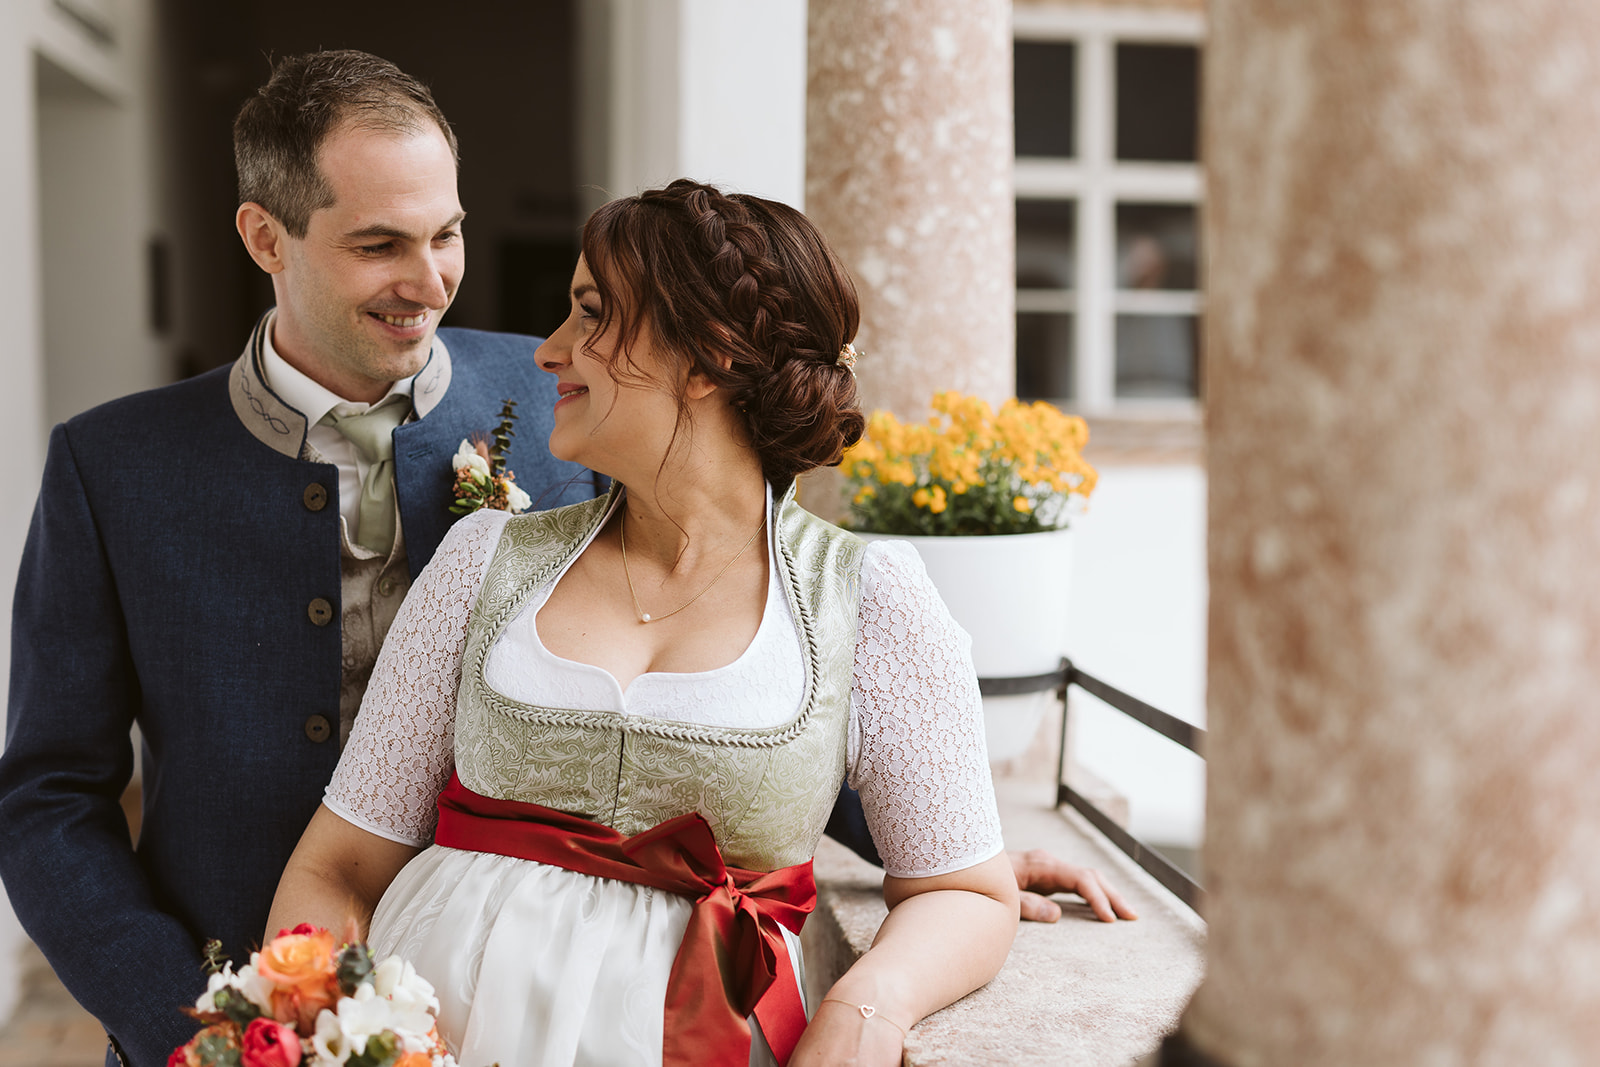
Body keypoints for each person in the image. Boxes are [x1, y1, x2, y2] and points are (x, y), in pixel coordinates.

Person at [0, 48, 1127, 1067]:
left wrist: (939, 847)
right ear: (266, 239)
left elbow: (713, 635)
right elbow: (48, 795)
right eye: (379, 244)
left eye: (444, 232)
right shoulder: (115, 467)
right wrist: (202, 1026)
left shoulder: (552, 407)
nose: (432, 278)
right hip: (234, 999)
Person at [263, 179, 1076, 1067]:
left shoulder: (869, 600)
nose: (550, 352)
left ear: (706, 359)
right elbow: (340, 865)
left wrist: (864, 1010)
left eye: (591, 314)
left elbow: (966, 889)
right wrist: (310, 1034)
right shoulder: (481, 561)